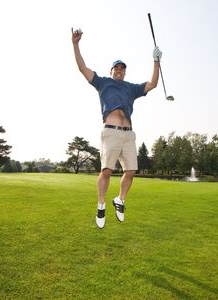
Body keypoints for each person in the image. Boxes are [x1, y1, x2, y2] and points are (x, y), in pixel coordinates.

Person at [71, 27, 162, 229]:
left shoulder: (131, 88)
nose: (119, 70)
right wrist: (75, 45)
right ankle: (101, 205)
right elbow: (82, 68)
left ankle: (119, 200)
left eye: (122, 68)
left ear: (125, 72)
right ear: (111, 71)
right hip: (110, 132)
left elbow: (153, 84)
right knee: (106, 170)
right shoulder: (103, 83)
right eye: (116, 68)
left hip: (129, 135)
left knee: (130, 171)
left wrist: (156, 61)